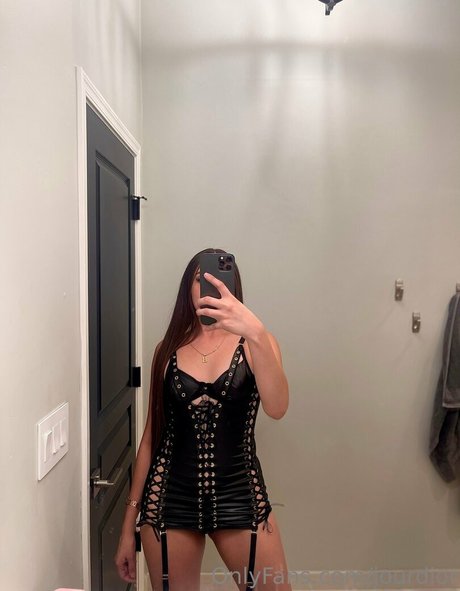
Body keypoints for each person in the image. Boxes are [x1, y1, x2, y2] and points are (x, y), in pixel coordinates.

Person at [114, 248, 291, 590]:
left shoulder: (257, 342)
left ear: (233, 287)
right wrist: (127, 525)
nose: (209, 285)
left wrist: (255, 331)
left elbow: (278, 407)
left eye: (218, 278)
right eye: (200, 278)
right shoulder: (166, 350)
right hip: (169, 497)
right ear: (188, 287)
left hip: (239, 492)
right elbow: (151, 439)